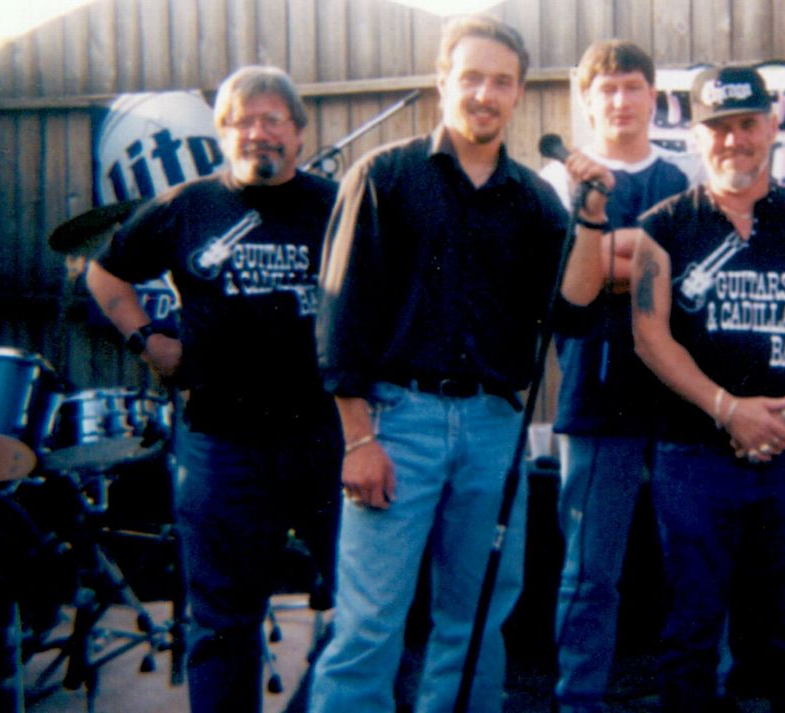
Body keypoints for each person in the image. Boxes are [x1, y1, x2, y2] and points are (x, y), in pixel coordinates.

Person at [308, 15, 605, 713]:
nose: (485, 94)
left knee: (474, 623)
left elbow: (574, 311)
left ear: (519, 92)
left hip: (493, 428)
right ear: (443, 81)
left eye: (501, 82)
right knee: (370, 621)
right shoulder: (384, 176)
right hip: (395, 422)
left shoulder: (535, 199)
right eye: (471, 77)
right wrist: (358, 439)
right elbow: (340, 319)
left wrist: (591, 216)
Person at [86, 65, 342, 713]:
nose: (258, 132)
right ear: (222, 135)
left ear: (299, 132)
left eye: (272, 119)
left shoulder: (339, 205)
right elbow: (103, 274)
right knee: (223, 622)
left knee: (364, 603)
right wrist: (148, 341)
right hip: (222, 444)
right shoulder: (185, 206)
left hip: (328, 439)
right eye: (242, 121)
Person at [630, 65, 785, 712]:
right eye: (719, 127)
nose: (735, 140)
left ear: (772, 127)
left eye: (748, 124)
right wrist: (728, 410)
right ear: (697, 137)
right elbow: (649, 336)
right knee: (691, 626)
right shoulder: (662, 226)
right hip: (692, 454)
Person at [537, 39, 701, 713]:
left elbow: (697, 270)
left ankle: (698, 692)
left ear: (653, 96)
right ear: (586, 98)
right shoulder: (557, 181)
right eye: (606, 89)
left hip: (685, 394)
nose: (621, 101)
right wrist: (648, 256)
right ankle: (579, 697)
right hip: (596, 395)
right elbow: (565, 279)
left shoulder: (687, 172)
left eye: (633, 87)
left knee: (696, 559)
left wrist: (608, 252)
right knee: (589, 570)